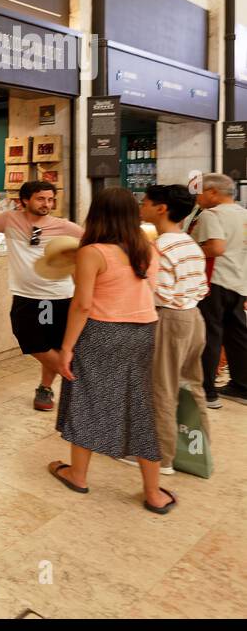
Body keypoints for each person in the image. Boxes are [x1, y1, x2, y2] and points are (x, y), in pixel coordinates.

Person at [48, 188, 173, 513]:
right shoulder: (146, 248)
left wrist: (66, 347)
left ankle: (78, 475)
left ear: (97, 215)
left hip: (103, 331)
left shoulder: (94, 252)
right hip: (143, 332)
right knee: (139, 403)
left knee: (87, 397)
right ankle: (153, 493)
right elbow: (149, 289)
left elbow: (83, 304)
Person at [0, 180, 83, 412]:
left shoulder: (64, 226)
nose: (46, 204)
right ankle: (75, 377)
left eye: (50, 199)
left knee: (53, 344)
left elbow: (93, 244)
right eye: (41, 199)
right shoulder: (8, 219)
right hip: (26, 297)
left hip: (60, 296)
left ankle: (45, 388)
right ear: (25, 200)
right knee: (29, 340)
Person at [136, 185, 208, 473]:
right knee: (192, 384)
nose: (142, 207)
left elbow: (159, 292)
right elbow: (202, 286)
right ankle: (197, 449)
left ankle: (162, 456)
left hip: (169, 318)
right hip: (193, 316)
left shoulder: (160, 247)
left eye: (146, 203)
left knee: (161, 388)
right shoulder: (189, 243)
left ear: (161, 208)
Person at [191, 173, 247, 408]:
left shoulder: (211, 215)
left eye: (200, 192)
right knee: (238, 334)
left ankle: (207, 392)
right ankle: (242, 386)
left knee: (210, 335)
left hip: (215, 282)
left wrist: (190, 249)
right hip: (239, 280)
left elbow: (216, 247)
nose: (197, 198)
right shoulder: (244, 214)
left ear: (213, 192)